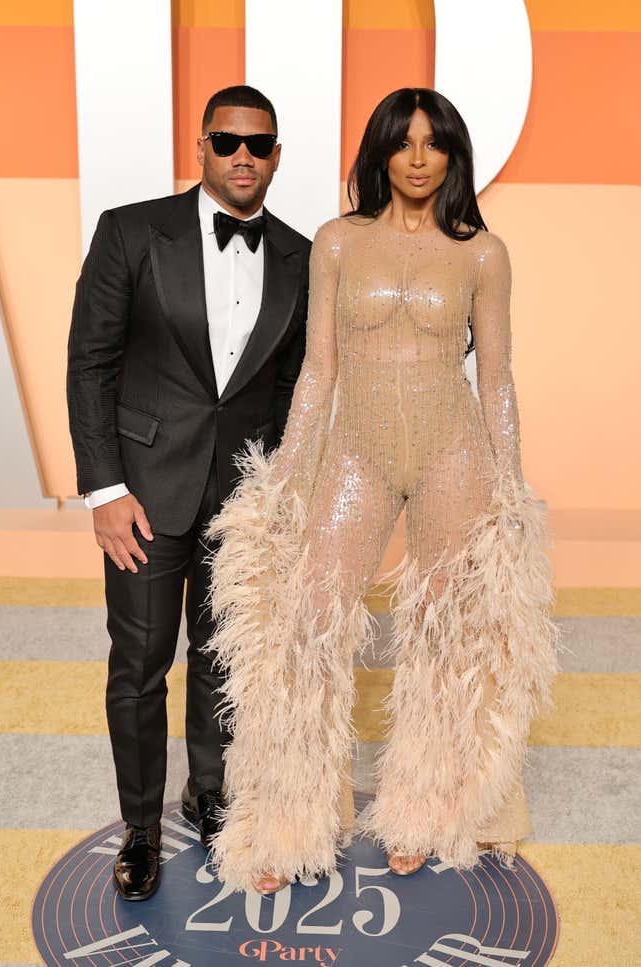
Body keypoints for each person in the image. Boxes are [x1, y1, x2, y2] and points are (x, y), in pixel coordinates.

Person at [206, 88, 559, 894]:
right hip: (355, 448)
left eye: (434, 144)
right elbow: (318, 372)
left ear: (452, 155)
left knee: (444, 640)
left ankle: (426, 815)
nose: (418, 157)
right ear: (380, 151)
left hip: (452, 448)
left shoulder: (481, 253)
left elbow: (495, 377)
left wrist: (508, 487)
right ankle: (289, 821)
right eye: (402, 143)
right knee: (310, 622)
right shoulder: (337, 243)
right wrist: (287, 478)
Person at [66, 85, 311, 900]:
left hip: (240, 501)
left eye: (260, 143)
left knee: (221, 660)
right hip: (141, 493)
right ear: (200, 147)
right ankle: (139, 825)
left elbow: (286, 387)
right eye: (227, 141)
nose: (243, 155)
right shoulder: (131, 231)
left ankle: (209, 794)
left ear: (276, 155)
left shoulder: (300, 256)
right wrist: (104, 488)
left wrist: (272, 493)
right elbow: (90, 363)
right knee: (139, 665)